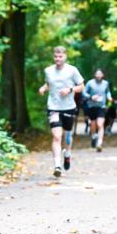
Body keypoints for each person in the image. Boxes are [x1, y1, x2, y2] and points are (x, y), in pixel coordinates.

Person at [38, 46, 84, 177]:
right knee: (57, 136)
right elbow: (48, 84)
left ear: (65, 57)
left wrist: (70, 90)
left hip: (69, 107)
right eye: (56, 56)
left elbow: (81, 86)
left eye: (60, 56)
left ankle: (67, 153)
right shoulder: (48, 70)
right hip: (53, 107)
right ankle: (57, 165)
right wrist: (43, 88)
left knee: (67, 138)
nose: (58, 59)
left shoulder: (72, 70)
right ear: (53, 57)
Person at [83, 69, 112, 152]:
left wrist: (109, 97)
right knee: (93, 124)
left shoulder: (106, 83)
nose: (99, 76)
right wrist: (91, 97)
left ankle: (99, 143)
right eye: (97, 74)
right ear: (95, 75)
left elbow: (107, 92)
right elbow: (84, 93)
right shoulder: (90, 83)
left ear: (103, 75)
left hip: (101, 107)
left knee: (100, 124)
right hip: (91, 106)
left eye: (100, 74)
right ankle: (93, 136)